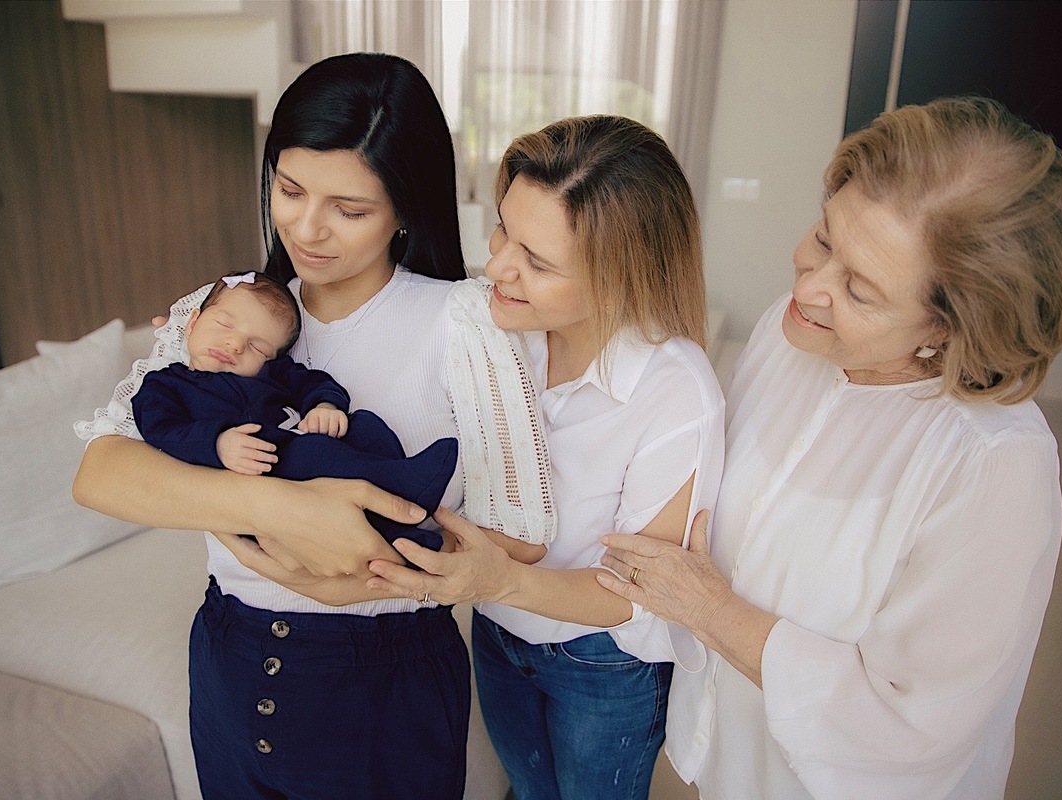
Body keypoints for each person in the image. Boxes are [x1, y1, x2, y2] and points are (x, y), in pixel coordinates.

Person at [73, 52, 555, 800]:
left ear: (406, 205)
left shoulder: (463, 323)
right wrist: (279, 507)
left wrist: (365, 584)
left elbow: (521, 539)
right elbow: (100, 472)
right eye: (289, 189)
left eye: (349, 209)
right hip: (227, 656)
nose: (306, 228)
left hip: (385, 678)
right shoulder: (229, 310)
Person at [596, 96, 1062, 800]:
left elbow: (913, 724)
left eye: (860, 289)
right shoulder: (788, 331)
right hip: (723, 758)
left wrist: (712, 612)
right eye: (826, 237)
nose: (808, 284)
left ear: (948, 332)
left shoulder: (990, 466)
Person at [364, 115, 725, 800]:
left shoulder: (675, 390)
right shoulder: (498, 332)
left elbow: (638, 594)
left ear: (622, 274)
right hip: (500, 635)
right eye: (503, 231)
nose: (498, 266)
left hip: (602, 662)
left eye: (539, 261)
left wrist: (493, 580)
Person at [132, 270, 459, 550]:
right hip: (261, 483)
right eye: (223, 324)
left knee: (363, 426)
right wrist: (216, 444)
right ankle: (407, 489)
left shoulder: (269, 375)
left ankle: (401, 531)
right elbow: (161, 430)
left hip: (295, 453)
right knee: (313, 455)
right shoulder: (166, 385)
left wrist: (324, 405)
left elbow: (313, 382)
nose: (235, 345)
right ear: (192, 323)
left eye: (257, 345)